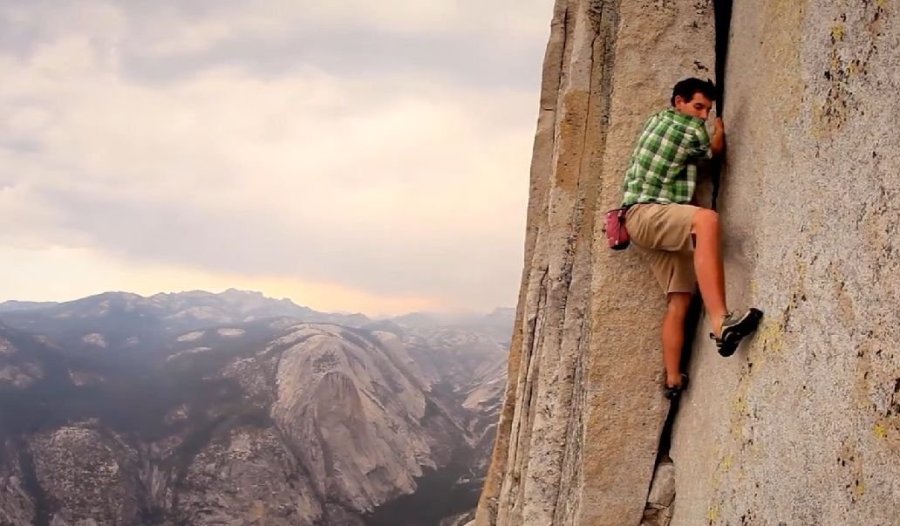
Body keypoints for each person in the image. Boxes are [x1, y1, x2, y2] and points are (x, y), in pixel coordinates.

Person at [620, 77, 762, 400]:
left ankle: (672, 378)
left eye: (708, 110)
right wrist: (720, 135)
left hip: (642, 222)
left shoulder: (657, 121)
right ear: (679, 102)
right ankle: (721, 323)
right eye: (698, 106)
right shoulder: (685, 126)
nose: (702, 115)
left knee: (679, 300)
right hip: (649, 215)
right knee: (706, 221)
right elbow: (712, 154)